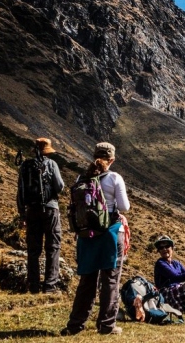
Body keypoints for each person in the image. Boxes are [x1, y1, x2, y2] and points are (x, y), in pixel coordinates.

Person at [62, 142, 130, 336]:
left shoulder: (80, 177)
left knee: (87, 281)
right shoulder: (114, 177)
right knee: (110, 280)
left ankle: (75, 325)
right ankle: (107, 325)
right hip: (109, 233)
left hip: (86, 235)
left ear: (93, 156)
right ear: (112, 160)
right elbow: (124, 207)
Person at [16, 137, 65, 294]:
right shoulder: (51, 164)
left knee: (33, 249)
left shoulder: (25, 166)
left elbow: (20, 191)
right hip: (50, 209)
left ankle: (34, 286)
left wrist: (22, 214)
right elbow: (60, 187)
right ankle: (50, 286)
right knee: (53, 247)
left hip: (31, 210)